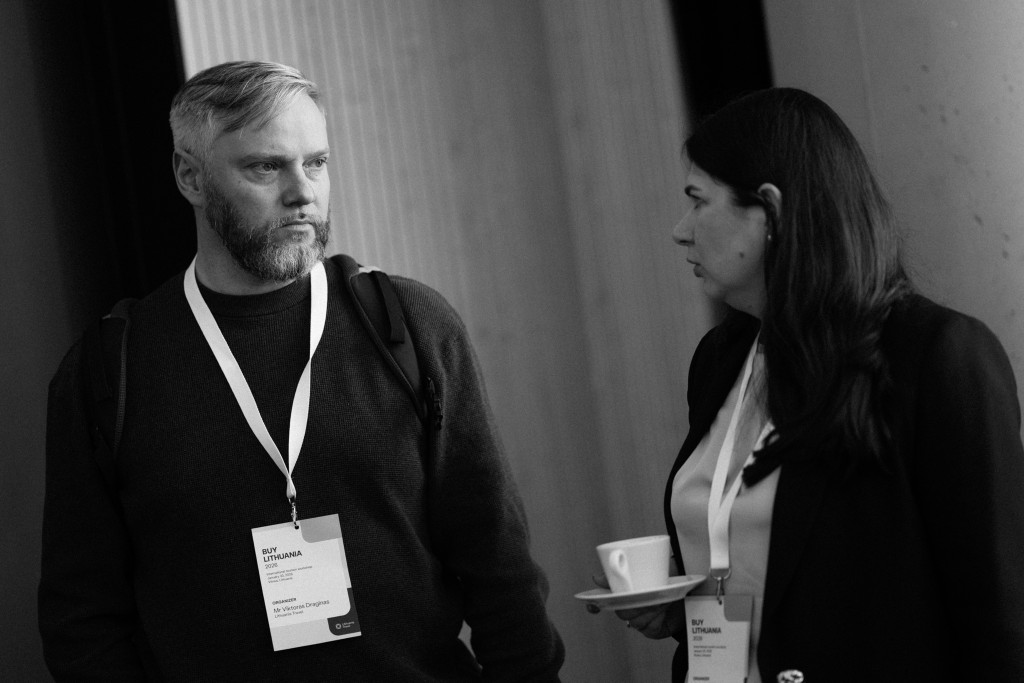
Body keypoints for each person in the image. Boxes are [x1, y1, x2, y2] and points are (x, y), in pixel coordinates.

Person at [40, 60, 564, 681]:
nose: (303, 192)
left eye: (316, 163)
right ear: (190, 176)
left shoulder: (409, 327)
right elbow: (83, 618)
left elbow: (497, 560)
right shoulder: (110, 370)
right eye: (266, 167)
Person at [610, 88, 1024, 681]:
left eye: (697, 201)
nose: (681, 230)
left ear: (771, 212)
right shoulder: (720, 359)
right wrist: (680, 605)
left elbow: (1000, 624)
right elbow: (764, 568)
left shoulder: (936, 356)